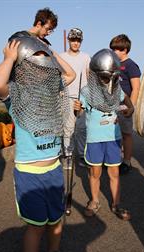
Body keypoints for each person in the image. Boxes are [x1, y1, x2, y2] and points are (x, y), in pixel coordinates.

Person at [0, 8, 76, 252]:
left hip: (53, 168)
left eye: (45, 69)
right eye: (36, 67)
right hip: (29, 172)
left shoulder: (50, 91)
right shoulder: (17, 96)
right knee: (35, 227)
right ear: (24, 69)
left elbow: (70, 73)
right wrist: (10, 58)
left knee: (55, 222)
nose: (43, 73)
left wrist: (48, 51)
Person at [74, 49, 134, 221]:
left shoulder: (117, 90)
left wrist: (130, 109)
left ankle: (116, 203)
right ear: (95, 74)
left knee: (114, 174)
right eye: (102, 76)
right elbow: (78, 114)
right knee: (95, 172)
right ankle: (94, 200)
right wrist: (76, 109)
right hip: (94, 140)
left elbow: (128, 102)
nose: (105, 80)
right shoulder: (86, 92)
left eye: (109, 76)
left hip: (113, 139)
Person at [109, 34, 141, 175]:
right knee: (112, 134)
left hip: (125, 106)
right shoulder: (113, 65)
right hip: (112, 105)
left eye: (117, 49)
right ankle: (113, 160)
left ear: (125, 49)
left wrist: (131, 107)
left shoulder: (131, 65)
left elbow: (136, 88)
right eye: (113, 49)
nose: (114, 52)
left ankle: (127, 161)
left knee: (126, 134)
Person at [60, 28, 90, 169]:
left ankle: (82, 156)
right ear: (69, 40)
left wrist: (88, 96)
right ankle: (68, 155)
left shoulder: (86, 57)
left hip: (82, 97)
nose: (75, 43)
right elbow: (58, 76)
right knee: (68, 128)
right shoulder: (62, 57)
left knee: (82, 128)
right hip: (66, 96)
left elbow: (89, 76)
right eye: (73, 40)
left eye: (78, 40)